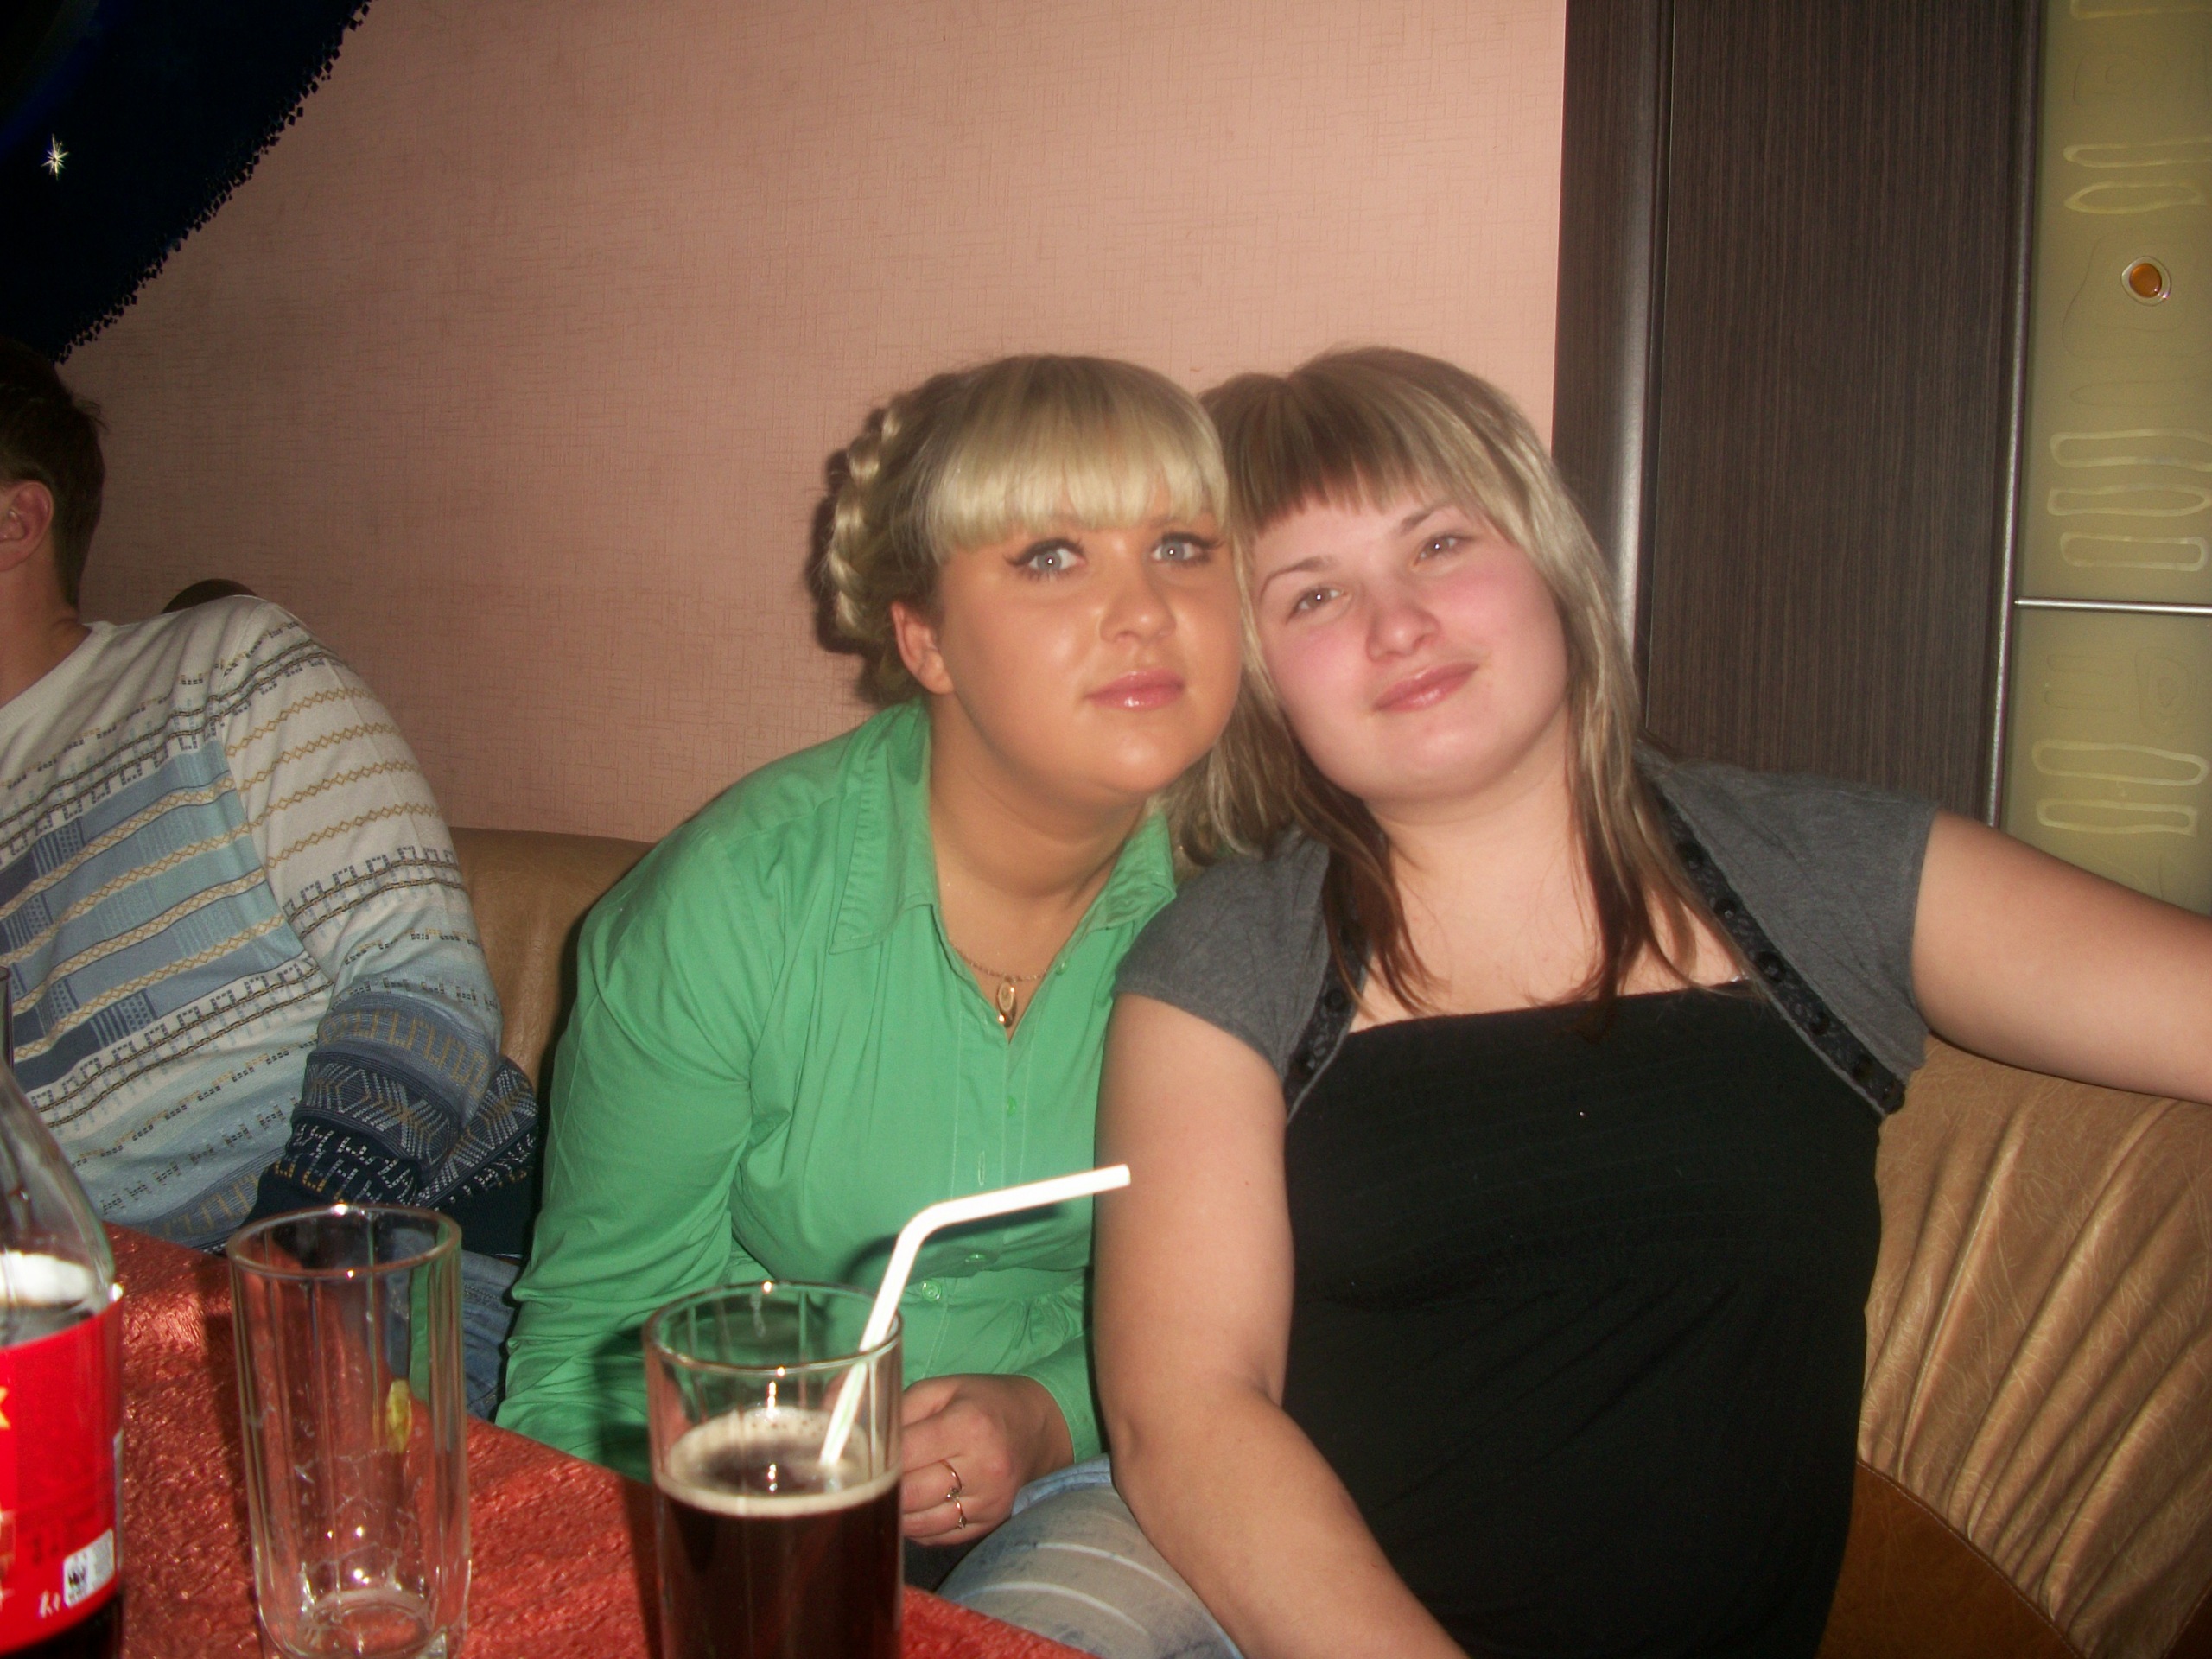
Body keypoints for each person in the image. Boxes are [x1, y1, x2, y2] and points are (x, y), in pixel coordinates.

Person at [956, 346, 2212, 1659]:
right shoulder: (1225, 956)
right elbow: (1189, 1415)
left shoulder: (1825, 874)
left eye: (1439, 543)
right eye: (1313, 594)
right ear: (1256, 672)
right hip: (1231, 1613)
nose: (1398, 624)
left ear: (1550, 560)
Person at [495, 354, 1242, 1580]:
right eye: (1052, 555)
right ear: (924, 638)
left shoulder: (1260, 910)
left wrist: (1048, 1414)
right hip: (756, 1478)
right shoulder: (728, 909)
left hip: (1125, 1460)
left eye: (1181, 547)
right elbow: (594, 1359)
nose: (1146, 610)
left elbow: (1257, 1329)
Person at [0, 339, 540, 1416]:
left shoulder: (221, 669)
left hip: (396, 1262)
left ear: (17, 521)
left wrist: (280, 1275)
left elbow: (422, 989)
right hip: (87, 1322)